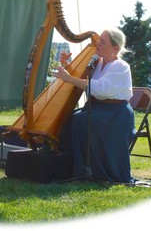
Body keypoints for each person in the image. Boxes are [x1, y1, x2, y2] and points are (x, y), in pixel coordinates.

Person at [53, 28, 135, 183]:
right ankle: (69, 168)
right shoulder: (98, 63)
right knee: (70, 118)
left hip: (116, 114)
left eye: (103, 42)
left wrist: (69, 78)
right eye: (99, 40)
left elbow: (100, 88)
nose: (98, 44)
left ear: (115, 48)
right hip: (99, 110)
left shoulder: (120, 67)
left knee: (80, 120)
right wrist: (68, 66)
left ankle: (90, 171)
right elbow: (83, 80)